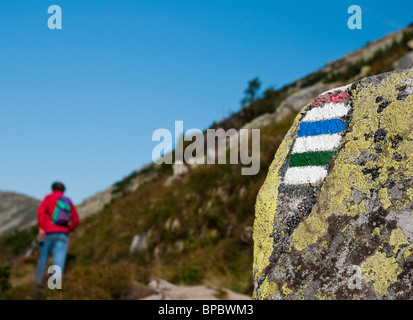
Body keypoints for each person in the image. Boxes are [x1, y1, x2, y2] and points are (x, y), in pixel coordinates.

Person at [35, 182, 79, 287]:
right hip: (63, 233)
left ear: (52, 189)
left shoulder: (48, 198)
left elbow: (41, 211)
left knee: (43, 257)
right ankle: (54, 285)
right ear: (63, 190)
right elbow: (76, 219)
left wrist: (41, 227)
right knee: (59, 259)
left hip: (48, 232)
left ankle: (38, 283)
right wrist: (69, 228)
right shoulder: (67, 201)